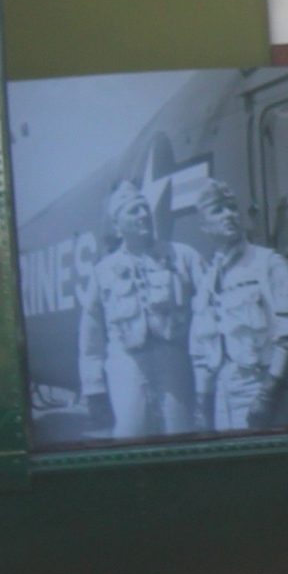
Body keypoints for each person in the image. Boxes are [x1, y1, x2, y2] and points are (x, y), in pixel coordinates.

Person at [78, 180, 204, 439]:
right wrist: (94, 388)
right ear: (117, 225)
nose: (144, 215)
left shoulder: (183, 256)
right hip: (127, 367)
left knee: (181, 440)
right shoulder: (103, 271)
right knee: (131, 439)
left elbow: (211, 311)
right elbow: (91, 334)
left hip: (175, 365)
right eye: (133, 211)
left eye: (145, 208)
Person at [188, 178, 288, 432]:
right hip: (224, 399)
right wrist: (202, 404)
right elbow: (201, 349)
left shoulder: (268, 264)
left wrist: (268, 395)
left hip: (263, 391)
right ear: (204, 227)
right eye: (218, 210)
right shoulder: (209, 279)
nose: (229, 215)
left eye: (232, 207)